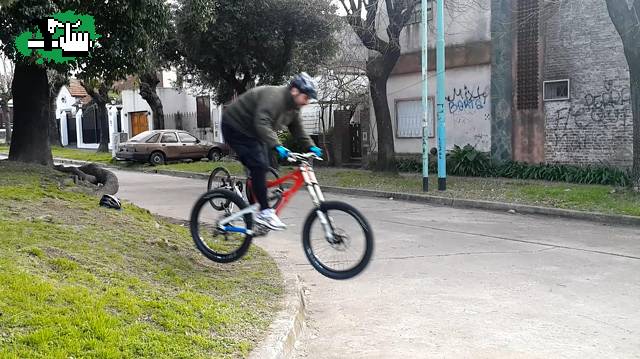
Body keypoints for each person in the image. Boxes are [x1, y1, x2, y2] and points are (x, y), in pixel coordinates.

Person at [220, 72, 323, 231]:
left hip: (252, 132)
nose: (307, 101)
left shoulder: (293, 108)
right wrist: (277, 145)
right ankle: (265, 212)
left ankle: (256, 199)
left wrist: (311, 146)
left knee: (263, 165)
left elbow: (297, 129)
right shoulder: (275, 97)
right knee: (259, 165)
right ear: (295, 91)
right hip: (235, 126)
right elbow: (262, 122)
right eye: (306, 97)